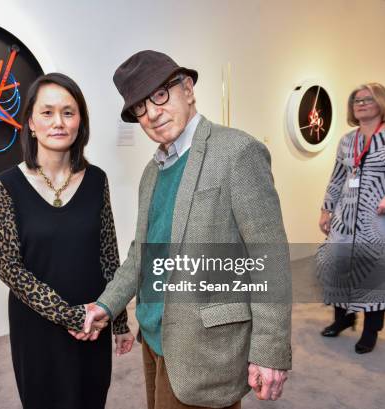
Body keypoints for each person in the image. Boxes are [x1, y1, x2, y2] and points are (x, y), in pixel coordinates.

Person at [80, 50, 292, 409]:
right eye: (140, 108)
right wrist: (106, 305)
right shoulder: (152, 172)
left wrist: (270, 350)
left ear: (188, 88)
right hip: (154, 336)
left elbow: (268, 256)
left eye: (160, 95)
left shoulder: (237, 152)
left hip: (206, 345)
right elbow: (140, 255)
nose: (152, 113)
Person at [0, 72, 134, 409]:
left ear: (80, 121)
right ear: (30, 121)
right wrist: (71, 316)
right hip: (38, 326)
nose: (58, 122)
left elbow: (108, 254)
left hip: (93, 321)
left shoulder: (97, 179)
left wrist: (118, 321)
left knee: (90, 399)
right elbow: (9, 268)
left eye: (68, 112)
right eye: (47, 112)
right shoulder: (6, 185)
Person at [318, 82, 385, 354]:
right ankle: (343, 319)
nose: (360, 104)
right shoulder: (347, 140)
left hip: (378, 220)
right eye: (356, 100)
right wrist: (326, 209)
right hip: (344, 218)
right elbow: (337, 177)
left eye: (367, 99)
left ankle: (371, 331)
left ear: (382, 102)